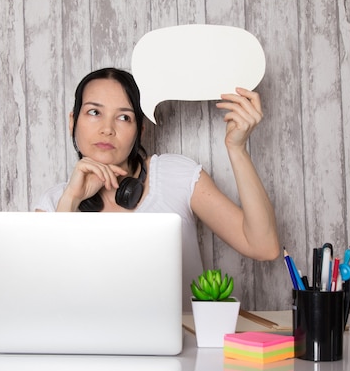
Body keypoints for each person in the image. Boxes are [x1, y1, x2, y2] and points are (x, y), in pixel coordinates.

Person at [33, 67, 280, 309]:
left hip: (181, 347)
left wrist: (237, 149)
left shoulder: (176, 176)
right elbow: (39, 297)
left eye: (124, 117)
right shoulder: (56, 203)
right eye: (94, 112)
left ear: (139, 131)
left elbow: (263, 246)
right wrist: (71, 200)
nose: (107, 128)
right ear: (72, 121)